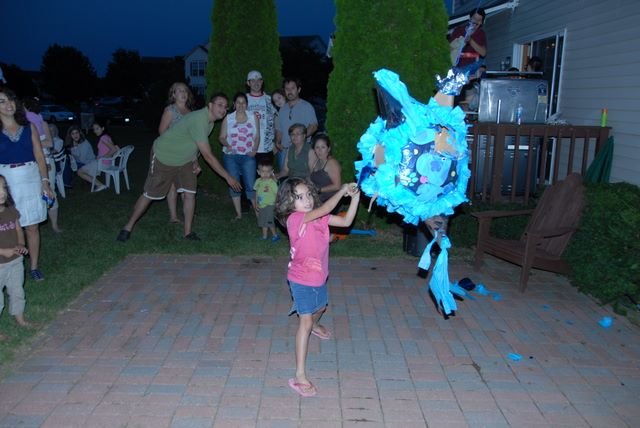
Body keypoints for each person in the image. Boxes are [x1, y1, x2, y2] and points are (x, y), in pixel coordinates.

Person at [275, 179, 360, 397]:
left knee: (321, 307)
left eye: (308, 195)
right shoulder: (295, 219)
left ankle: (315, 324)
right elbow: (325, 208)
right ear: (288, 202)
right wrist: (341, 191)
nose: (307, 200)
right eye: (299, 197)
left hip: (319, 276)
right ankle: (299, 375)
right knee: (304, 322)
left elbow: (346, 221)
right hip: (300, 279)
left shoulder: (320, 218)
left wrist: (355, 197)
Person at [116, 92, 241, 242]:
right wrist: (228, 177)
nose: (223, 109)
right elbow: (208, 156)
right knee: (150, 194)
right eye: (220, 105)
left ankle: (188, 233)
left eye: (225, 107)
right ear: (210, 105)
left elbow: (195, 143)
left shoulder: (210, 122)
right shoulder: (199, 119)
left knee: (190, 193)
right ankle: (127, 227)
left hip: (185, 160)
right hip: (164, 156)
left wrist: (195, 160)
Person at [0, 87, 53, 282]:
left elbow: (39, 156)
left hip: (30, 178)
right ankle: (12, 266)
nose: (8, 105)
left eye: (10, 100)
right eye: (2, 101)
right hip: (5, 182)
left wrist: (45, 182)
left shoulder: (29, 126)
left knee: (32, 226)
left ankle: (34, 266)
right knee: (9, 226)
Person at [219, 92, 260, 220]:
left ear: (247, 104)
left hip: (248, 156)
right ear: (234, 104)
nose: (241, 105)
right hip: (231, 156)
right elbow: (221, 137)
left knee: (251, 185)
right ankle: (238, 214)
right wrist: (227, 144)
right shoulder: (228, 118)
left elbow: (257, 136)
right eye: (238, 102)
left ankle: (258, 214)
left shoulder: (253, 117)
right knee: (234, 184)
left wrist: (254, 150)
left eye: (243, 102)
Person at [23, 98, 62, 233]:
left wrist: (34, 143)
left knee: (50, 191)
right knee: (33, 192)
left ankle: (54, 225)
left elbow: (50, 143)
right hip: (30, 164)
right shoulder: (22, 125)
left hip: (46, 161)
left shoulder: (43, 123)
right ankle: (33, 223)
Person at [0, 174, 31, 340]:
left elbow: (19, 230)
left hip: (15, 261)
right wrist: (3, 251)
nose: (2, 192)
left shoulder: (11, 211)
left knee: (17, 291)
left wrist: (21, 244)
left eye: (3, 187)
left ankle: (20, 319)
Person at [158, 82, 194, 224]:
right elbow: (162, 131)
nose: (183, 93)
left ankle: (187, 213)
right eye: (179, 91)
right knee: (172, 184)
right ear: (173, 94)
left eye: (185, 91)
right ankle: (173, 216)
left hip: (187, 154)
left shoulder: (190, 113)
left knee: (186, 185)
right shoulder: (170, 110)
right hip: (172, 153)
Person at [275, 78, 318, 170]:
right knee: (284, 176)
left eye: (292, 88)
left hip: (301, 150)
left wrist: (300, 139)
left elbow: (313, 126)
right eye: (287, 89)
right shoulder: (282, 110)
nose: (290, 91)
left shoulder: (307, 107)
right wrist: (277, 142)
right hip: (284, 150)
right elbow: (279, 129)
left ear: (299, 89)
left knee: (301, 176)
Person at [74, 120, 118, 192]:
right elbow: (116, 148)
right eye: (94, 129)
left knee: (79, 172)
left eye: (97, 129)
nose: (95, 131)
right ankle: (99, 184)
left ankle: (100, 185)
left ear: (102, 128)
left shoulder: (103, 138)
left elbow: (114, 150)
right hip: (107, 162)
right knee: (86, 166)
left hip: (103, 163)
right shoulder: (107, 136)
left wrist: (102, 157)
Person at [246, 70, 275, 166]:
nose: (256, 83)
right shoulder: (243, 100)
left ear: (262, 82)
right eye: (253, 80)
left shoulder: (270, 99)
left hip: (266, 148)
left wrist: (276, 142)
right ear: (248, 83)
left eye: (259, 80)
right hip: (248, 148)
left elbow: (276, 120)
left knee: (266, 176)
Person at [309, 133, 341, 202]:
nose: (319, 150)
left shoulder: (331, 163)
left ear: (328, 149)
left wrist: (319, 189)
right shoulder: (316, 162)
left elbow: (337, 186)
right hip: (318, 199)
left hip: (331, 200)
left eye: (323, 147)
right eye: (317, 147)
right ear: (314, 149)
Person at [253, 159, 279, 242]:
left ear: (271, 172)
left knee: (269, 221)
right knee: (263, 221)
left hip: (270, 205)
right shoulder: (258, 181)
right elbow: (257, 192)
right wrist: (256, 202)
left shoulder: (272, 183)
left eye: (268, 171)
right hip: (262, 205)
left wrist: (276, 203)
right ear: (258, 172)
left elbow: (277, 193)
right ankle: (264, 236)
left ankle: (275, 235)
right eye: (263, 171)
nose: (265, 174)